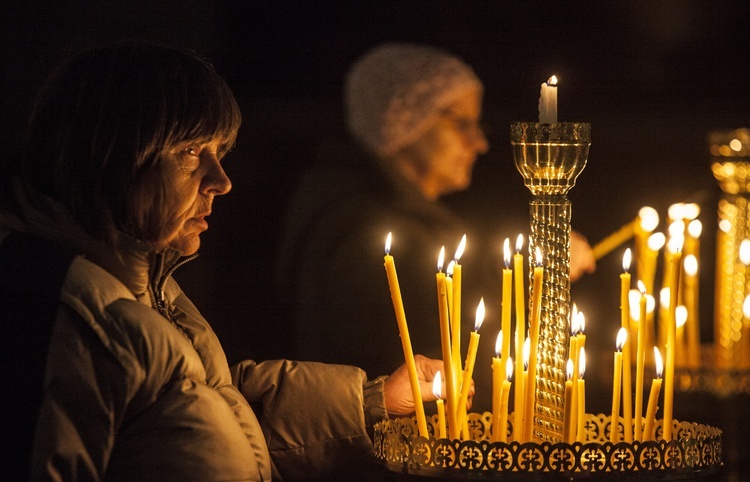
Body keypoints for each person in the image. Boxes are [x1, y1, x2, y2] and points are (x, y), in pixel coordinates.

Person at [0, 40, 450, 482]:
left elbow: (207, 415)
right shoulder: (57, 317)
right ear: (112, 156)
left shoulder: (147, 287)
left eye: (220, 152)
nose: (221, 181)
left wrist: (374, 401)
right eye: (191, 151)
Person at [276, 43, 596, 412]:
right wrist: (535, 287)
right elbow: (431, 359)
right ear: (405, 121)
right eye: (463, 124)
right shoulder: (364, 234)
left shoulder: (388, 213)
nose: (479, 143)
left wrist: (529, 274)